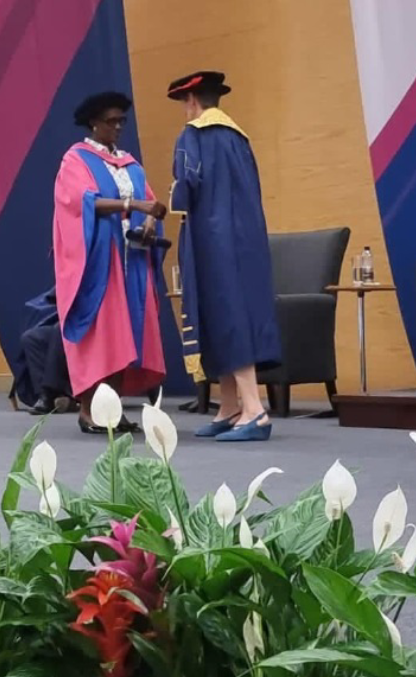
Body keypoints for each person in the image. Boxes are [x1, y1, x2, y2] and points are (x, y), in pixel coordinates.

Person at [168, 71, 281, 442]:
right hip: (246, 237)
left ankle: (255, 410)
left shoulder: (193, 135)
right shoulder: (239, 138)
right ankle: (229, 405)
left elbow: (187, 185)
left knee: (227, 316)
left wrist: (171, 200)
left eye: (185, 102)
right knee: (231, 313)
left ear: (192, 101)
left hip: (212, 239)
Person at [54, 91, 167, 434]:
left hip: (132, 260)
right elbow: (81, 202)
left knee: (125, 336)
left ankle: (113, 411)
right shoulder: (76, 159)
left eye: (121, 121)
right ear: (94, 123)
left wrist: (151, 221)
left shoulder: (130, 164)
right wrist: (132, 206)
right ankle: (89, 410)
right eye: (111, 121)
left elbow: (151, 202)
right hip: (100, 262)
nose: (117, 127)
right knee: (102, 334)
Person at [10, 286, 75, 415]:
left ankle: (49, 393)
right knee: (31, 338)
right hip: (75, 320)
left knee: (60, 330)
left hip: (97, 323)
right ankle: (45, 396)